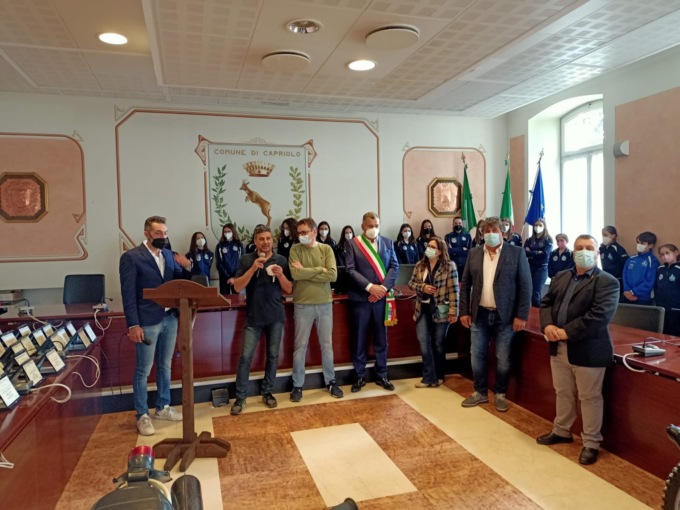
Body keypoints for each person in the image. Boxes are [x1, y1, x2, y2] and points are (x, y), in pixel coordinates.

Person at [537, 234, 620, 466]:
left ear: (597, 253)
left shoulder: (607, 282)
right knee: (563, 392)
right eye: (580, 248)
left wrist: (567, 332)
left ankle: (591, 443)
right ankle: (562, 430)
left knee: (589, 397)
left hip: (588, 349)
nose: (584, 251)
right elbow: (546, 303)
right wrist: (548, 326)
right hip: (558, 347)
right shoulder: (561, 276)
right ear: (573, 253)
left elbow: (599, 316)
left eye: (589, 248)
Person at [119, 215, 192, 436]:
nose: (163, 237)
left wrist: (187, 265)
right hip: (147, 321)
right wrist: (133, 325)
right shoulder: (132, 257)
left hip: (170, 318)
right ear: (147, 233)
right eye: (158, 233)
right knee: (143, 370)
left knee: (165, 365)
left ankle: (163, 406)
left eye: (165, 233)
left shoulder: (168, 254)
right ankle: (142, 415)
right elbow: (128, 294)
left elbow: (179, 281)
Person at [459, 216, 532, 412]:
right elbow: (465, 285)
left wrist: (522, 316)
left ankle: (500, 393)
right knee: (477, 355)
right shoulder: (474, 253)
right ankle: (480, 392)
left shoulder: (516, 253)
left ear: (503, 233)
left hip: (505, 316)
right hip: (480, 314)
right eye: (487, 231)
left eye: (495, 231)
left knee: (503, 357)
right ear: (482, 234)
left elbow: (526, 286)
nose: (490, 234)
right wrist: (464, 311)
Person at [230, 225, 293, 415]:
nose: (265, 242)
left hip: (276, 316)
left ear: (272, 240)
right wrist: (252, 268)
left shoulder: (281, 260)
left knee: (273, 356)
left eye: (268, 238)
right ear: (255, 241)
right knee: (245, 357)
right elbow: (237, 287)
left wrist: (280, 275)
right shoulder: (246, 259)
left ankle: (267, 392)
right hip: (254, 316)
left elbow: (289, 289)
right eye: (261, 239)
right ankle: (240, 397)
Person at [289, 218, 343, 402]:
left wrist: (306, 271)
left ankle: (331, 381)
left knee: (327, 345)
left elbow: (333, 275)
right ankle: (297, 385)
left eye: (304, 232)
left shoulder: (326, 249)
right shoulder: (295, 249)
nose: (301, 236)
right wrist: (320, 269)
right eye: (299, 233)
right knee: (300, 347)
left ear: (314, 232)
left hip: (324, 304)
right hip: (302, 304)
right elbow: (295, 274)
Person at [345, 211, 399, 392]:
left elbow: (394, 267)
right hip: (361, 299)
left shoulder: (388, 242)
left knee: (382, 338)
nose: (373, 229)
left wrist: (381, 289)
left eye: (376, 226)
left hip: (381, 299)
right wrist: (370, 287)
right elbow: (350, 270)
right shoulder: (353, 244)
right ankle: (359, 375)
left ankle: (382, 374)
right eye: (370, 226)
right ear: (362, 227)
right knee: (359, 338)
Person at [408, 237, 459, 387]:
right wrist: (422, 287)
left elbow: (454, 290)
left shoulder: (449, 266)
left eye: (433, 247)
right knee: (424, 342)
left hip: (441, 309)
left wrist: (453, 312)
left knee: (438, 343)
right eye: (428, 246)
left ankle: (440, 375)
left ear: (440, 251)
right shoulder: (420, 265)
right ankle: (428, 377)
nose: (428, 249)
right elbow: (411, 283)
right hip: (422, 309)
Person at [622, 231, 659, 306]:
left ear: (650, 245)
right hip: (626, 295)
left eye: (642, 243)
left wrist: (633, 292)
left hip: (643, 298)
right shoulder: (631, 258)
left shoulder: (653, 261)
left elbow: (649, 281)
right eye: (638, 242)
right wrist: (627, 291)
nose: (639, 245)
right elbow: (624, 275)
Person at [524, 218, 553, 307]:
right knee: (530, 292)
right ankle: (537, 311)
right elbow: (524, 253)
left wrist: (531, 252)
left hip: (542, 268)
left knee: (536, 293)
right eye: (536, 225)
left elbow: (545, 255)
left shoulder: (548, 240)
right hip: (530, 267)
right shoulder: (529, 240)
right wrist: (537, 252)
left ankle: (537, 312)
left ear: (544, 227)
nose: (537, 227)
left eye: (540, 225)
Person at [655, 244, 680, 335]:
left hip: (675, 307)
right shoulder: (660, 269)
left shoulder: (678, 269)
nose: (665, 256)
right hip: (661, 307)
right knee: (662, 331)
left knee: (674, 332)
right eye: (662, 254)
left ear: (676, 253)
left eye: (667, 253)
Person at [215, 223, 244, 295]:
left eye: (229, 231)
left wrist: (234, 277)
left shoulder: (239, 245)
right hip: (224, 277)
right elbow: (219, 263)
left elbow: (242, 262)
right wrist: (227, 276)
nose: (227, 233)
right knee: (224, 298)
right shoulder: (220, 246)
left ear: (233, 231)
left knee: (237, 298)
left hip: (236, 277)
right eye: (225, 232)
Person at [599, 226, 628, 290]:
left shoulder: (617, 249)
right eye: (603, 235)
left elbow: (626, 265)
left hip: (617, 279)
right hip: (606, 278)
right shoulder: (602, 248)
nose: (604, 237)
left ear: (613, 236)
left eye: (605, 235)